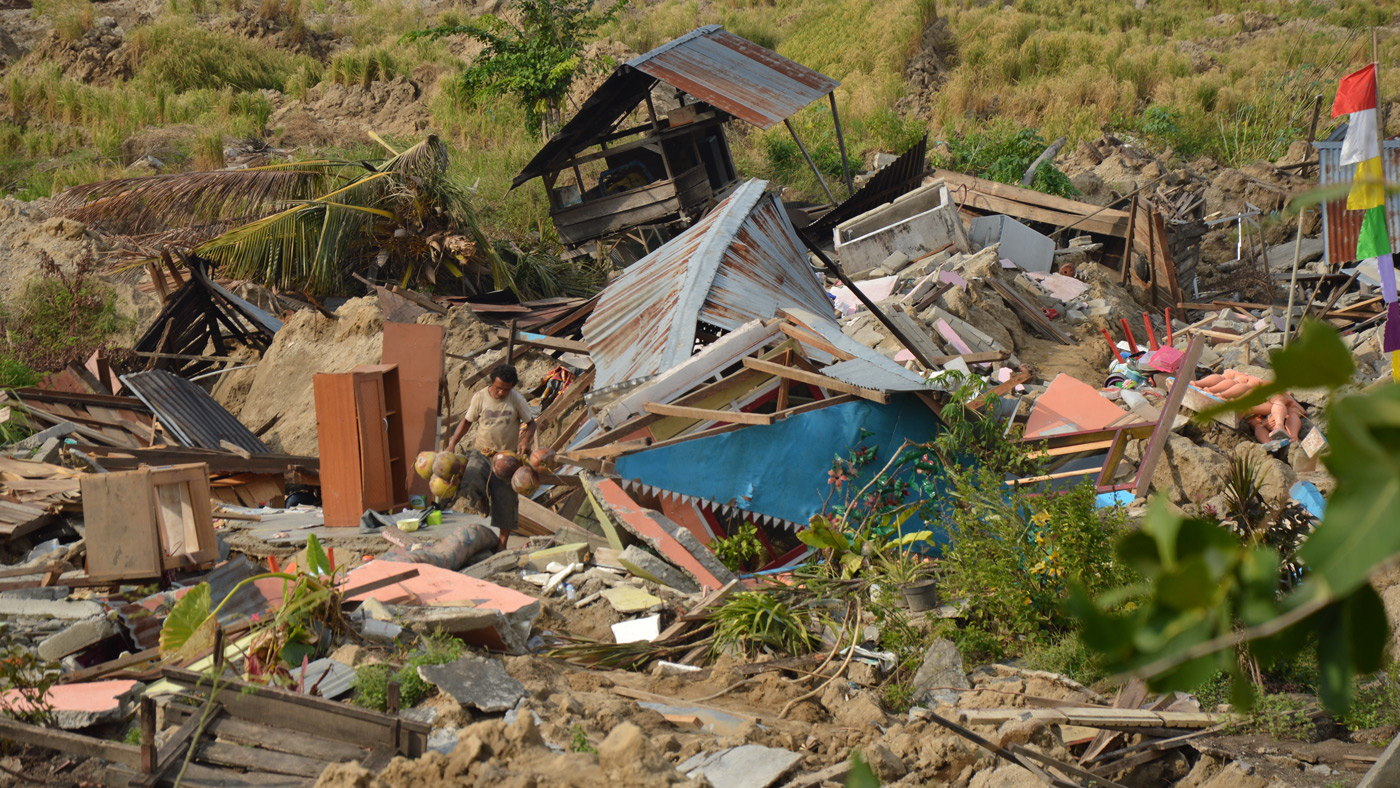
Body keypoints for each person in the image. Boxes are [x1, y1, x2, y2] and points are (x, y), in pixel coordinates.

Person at [447, 365, 537, 545]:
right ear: (492, 383)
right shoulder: (480, 397)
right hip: (482, 452)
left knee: (506, 502)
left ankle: (502, 544)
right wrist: (452, 443)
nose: (501, 392)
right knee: (469, 482)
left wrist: (525, 441)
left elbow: (531, 424)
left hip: (507, 458)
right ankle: (481, 500)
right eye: (498, 388)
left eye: (506, 389)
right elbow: (466, 422)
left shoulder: (516, 400)